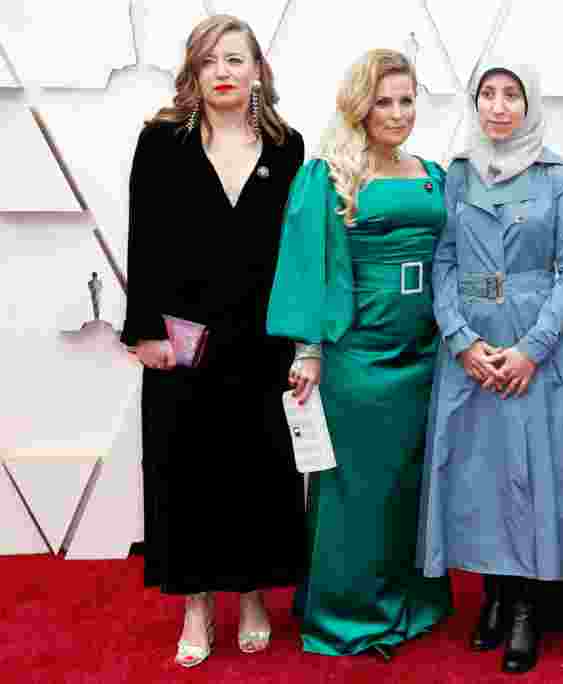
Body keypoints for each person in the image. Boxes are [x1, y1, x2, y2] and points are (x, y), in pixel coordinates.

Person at [121, 14, 306, 668]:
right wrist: (144, 332)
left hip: (263, 339)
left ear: (258, 70)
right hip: (184, 337)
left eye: (237, 59)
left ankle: (253, 593)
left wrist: (303, 342)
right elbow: (143, 241)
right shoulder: (162, 141)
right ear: (194, 73)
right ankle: (197, 602)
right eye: (211, 62)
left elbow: (298, 251)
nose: (225, 72)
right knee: (186, 471)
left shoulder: (287, 146)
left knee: (258, 470)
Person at [417, 59, 563, 675]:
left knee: (529, 475)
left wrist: (531, 349)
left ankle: (526, 608)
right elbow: (441, 260)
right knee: (480, 474)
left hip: (533, 346)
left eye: (511, 95)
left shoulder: (559, 177)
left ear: (530, 104)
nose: (498, 107)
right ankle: (492, 597)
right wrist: (462, 340)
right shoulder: (459, 174)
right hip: (471, 346)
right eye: (488, 95)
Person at [266, 48, 451, 660]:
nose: (398, 113)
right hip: (356, 357)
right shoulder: (327, 173)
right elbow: (307, 263)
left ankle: (410, 602)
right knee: (352, 490)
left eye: (406, 100)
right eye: (384, 101)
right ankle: (345, 613)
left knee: (409, 488)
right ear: (360, 106)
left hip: (425, 355)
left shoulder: (432, 171)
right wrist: (309, 350)